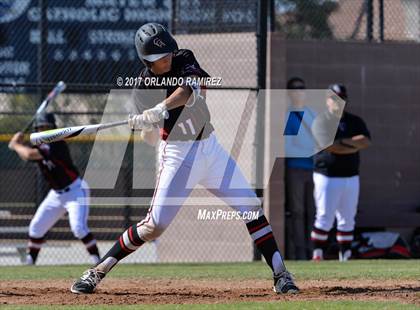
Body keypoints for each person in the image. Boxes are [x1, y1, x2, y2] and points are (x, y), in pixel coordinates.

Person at [71, 22, 298, 294]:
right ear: (146, 61)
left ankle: (281, 275)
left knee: (250, 206)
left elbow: (189, 89)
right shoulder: (142, 89)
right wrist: (144, 124)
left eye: (167, 52)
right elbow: (153, 139)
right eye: (159, 57)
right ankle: (97, 271)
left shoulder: (184, 58)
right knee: (154, 227)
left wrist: (160, 107)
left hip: (210, 149)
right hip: (177, 155)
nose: (166, 58)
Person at [8, 113, 100, 265]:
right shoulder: (38, 144)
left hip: (75, 190)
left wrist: (16, 145)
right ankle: (30, 261)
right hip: (56, 194)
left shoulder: (56, 143)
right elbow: (27, 155)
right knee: (36, 227)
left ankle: (98, 261)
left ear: (53, 128)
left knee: (78, 228)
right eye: (40, 127)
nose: (43, 130)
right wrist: (19, 143)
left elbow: (30, 155)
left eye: (46, 127)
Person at [310, 84, 371, 261]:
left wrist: (342, 143)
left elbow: (366, 141)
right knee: (324, 216)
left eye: (342, 97)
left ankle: (345, 255)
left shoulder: (355, 121)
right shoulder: (321, 121)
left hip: (351, 176)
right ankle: (317, 254)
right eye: (335, 97)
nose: (339, 101)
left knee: (347, 217)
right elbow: (330, 147)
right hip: (326, 175)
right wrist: (351, 145)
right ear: (328, 100)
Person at [284, 77, 316, 260]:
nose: (299, 92)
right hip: (296, 168)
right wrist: (311, 151)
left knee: (313, 212)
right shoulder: (290, 116)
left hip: (314, 170)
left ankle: (314, 252)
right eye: (295, 89)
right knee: (298, 212)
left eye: (302, 88)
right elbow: (288, 147)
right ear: (289, 93)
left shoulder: (311, 114)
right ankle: (300, 254)